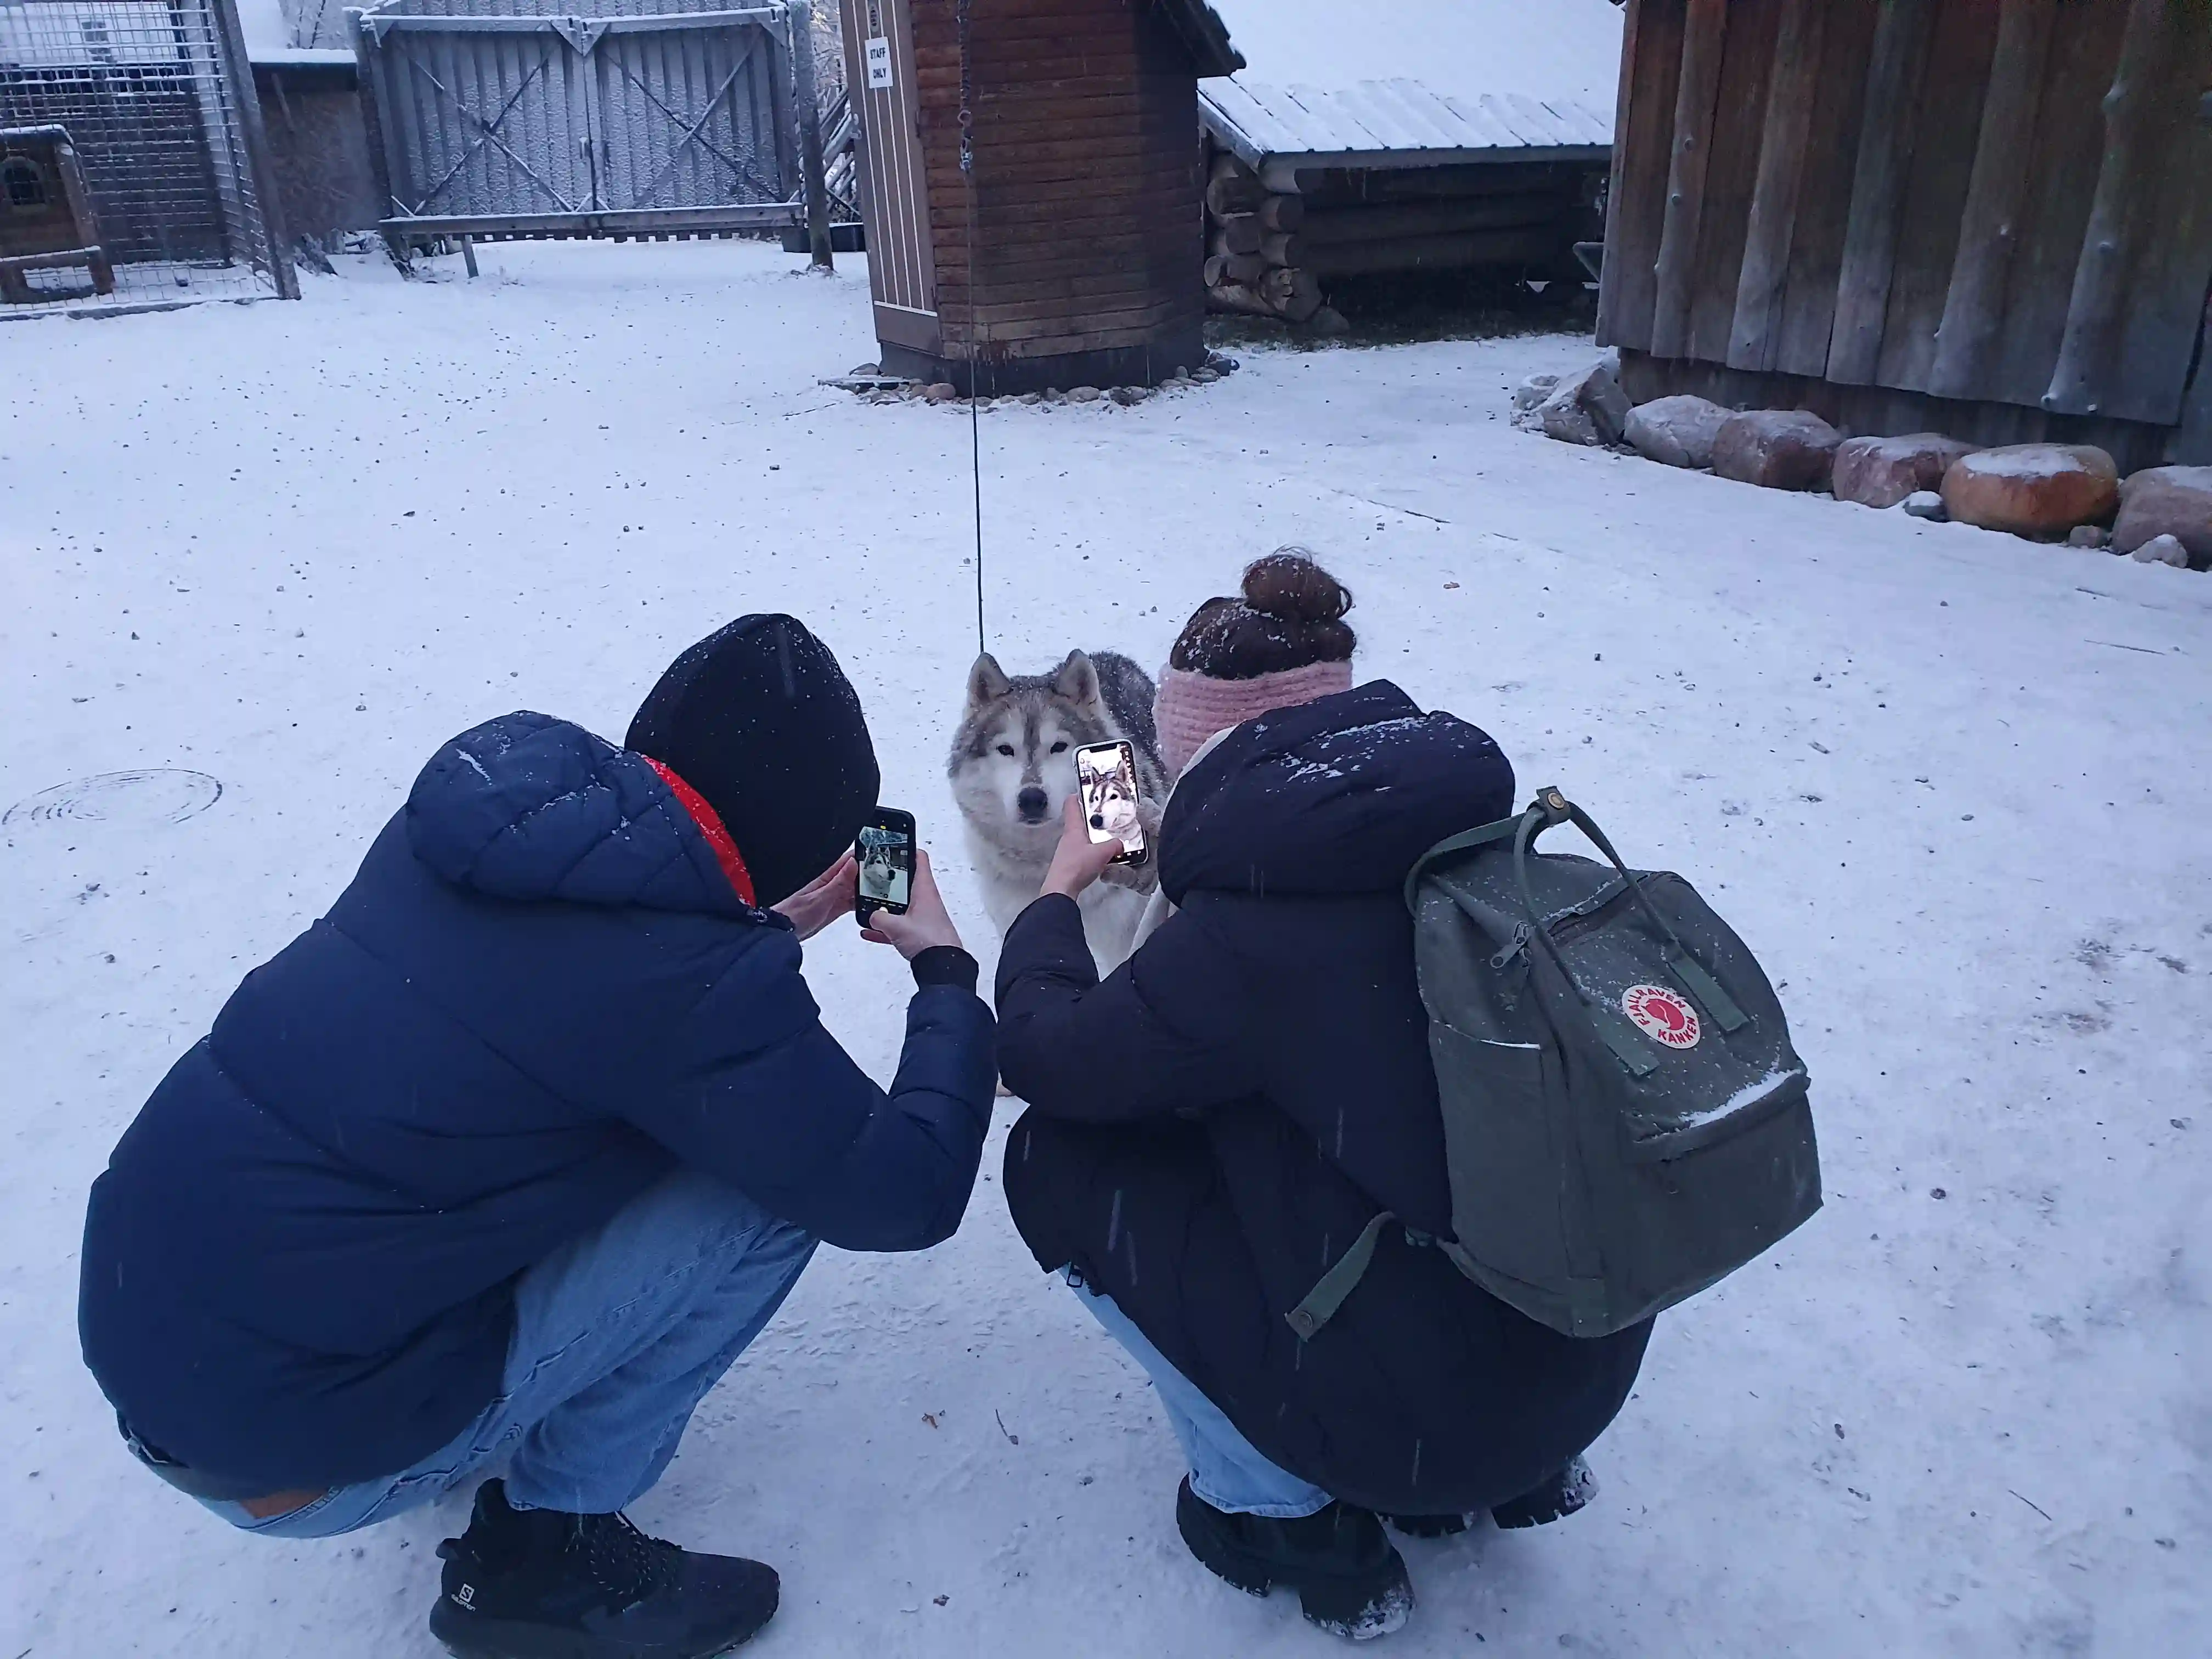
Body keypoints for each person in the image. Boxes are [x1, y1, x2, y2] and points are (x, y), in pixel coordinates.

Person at [77, 616, 997, 1659]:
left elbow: (572, 1001)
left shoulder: (481, 828)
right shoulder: (688, 991)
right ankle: (548, 1558)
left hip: (156, 1341)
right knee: (764, 1199)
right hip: (294, 1462)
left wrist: (766, 927)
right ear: (793, 831)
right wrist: (944, 971)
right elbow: (902, 1189)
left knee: (597, 1122)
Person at [993, 555, 1654, 1641]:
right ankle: (1511, 1470)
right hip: (1577, 1365)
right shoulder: (1478, 845)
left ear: (1203, 756)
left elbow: (1050, 1057)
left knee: (1052, 1161)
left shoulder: (1243, 943)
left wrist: (1058, 891)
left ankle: (1282, 1515)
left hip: (1423, 1432)